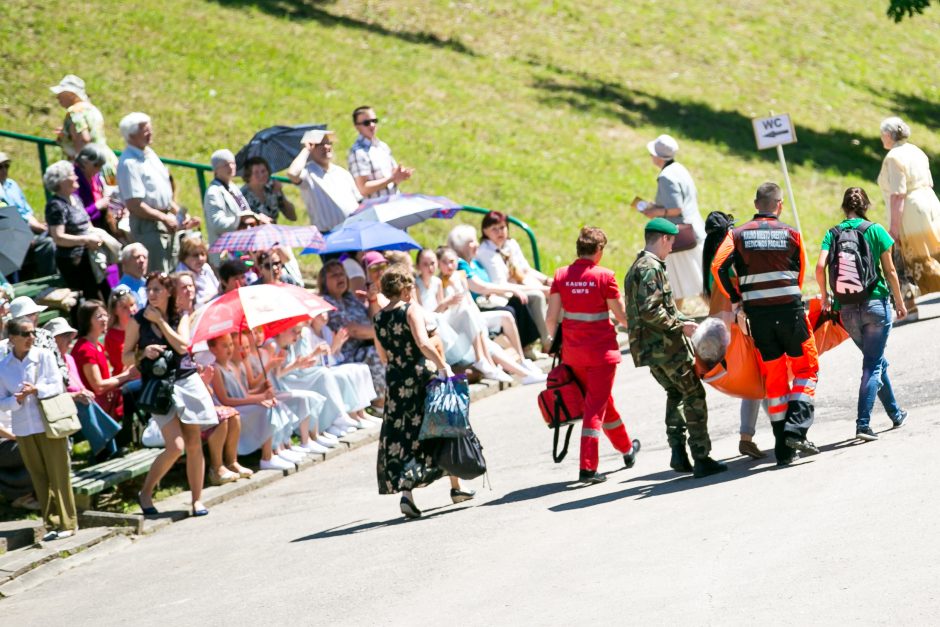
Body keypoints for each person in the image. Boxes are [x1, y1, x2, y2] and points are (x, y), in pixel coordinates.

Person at [713, 183, 820, 465]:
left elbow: (718, 267)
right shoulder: (792, 233)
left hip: (758, 317)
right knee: (806, 369)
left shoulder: (736, 235)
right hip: (790, 312)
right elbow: (800, 274)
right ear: (779, 205)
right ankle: (797, 429)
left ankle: (783, 452)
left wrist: (737, 299)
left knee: (773, 380)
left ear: (756, 203)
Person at [625, 218, 727, 478]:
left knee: (675, 394)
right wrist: (680, 327)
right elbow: (651, 311)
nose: (671, 249)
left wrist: (684, 319)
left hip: (650, 350)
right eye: (671, 243)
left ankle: (678, 453)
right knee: (693, 395)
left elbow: (661, 308)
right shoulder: (650, 268)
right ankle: (701, 457)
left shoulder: (638, 266)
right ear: (662, 239)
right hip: (666, 348)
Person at [373, 267, 474, 519]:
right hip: (420, 376)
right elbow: (423, 342)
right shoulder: (410, 310)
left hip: (396, 382)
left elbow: (383, 356)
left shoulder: (378, 318)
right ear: (405, 288)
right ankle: (456, 486)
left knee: (403, 435)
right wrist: (443, 365)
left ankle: (407, 494)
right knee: (443, 424)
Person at [545, 227, 640, 483]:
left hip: (573, 355)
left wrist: (552, 343)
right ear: (598, 251)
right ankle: (588, 467)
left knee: (603, 403)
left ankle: (627, 449)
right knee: (595, 408)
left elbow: (551, 318)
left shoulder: (561, 275)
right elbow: (622, 317)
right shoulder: (605, 277)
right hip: (601, 355)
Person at [815, 187, 908, 441]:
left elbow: (821, 265)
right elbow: (890, 272)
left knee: (876, 361)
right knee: (872, 364)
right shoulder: (875, 230)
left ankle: (895, 413)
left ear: (844, 207)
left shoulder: (832, 234)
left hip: (846, 310)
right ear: (865, 206)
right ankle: (863, 424)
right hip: (875, 305)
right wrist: (900, 302)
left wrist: (825, 296)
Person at [124, 273, 218, 517]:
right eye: (149, 289)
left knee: (194, 442)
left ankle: (197, 500)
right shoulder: (138, 321)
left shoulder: (180, 315)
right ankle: (145, 492)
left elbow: (183, 346)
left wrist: (162, 323)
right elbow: (124, 356)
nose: (152, 294)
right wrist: (144, 352)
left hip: (186, 380)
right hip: (158, 386)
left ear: (168, 292)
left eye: (157, 289)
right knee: (175, 446)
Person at [0, 317, 78, 541]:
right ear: (12, 338)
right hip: (24, 428)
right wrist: (16, 399)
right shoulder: (4, 367)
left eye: (33, 333)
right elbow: (1, 401)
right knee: (39, 476)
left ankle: (68, 522)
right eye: (25, 334)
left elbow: (56, 384)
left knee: (59, 472)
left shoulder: (43, 356)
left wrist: (36, 390)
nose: (31, 338)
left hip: (48, 422)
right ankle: (51, 523)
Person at [447, 224, 543, 358]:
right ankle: (520, 353)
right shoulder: (460, 263)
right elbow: (480, 287)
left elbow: (488, 284)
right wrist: (512, 289)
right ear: (460, 246)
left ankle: (525, 348)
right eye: (471, 242)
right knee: (510, 310)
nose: (476, 244)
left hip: (486, 302)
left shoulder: (474, 262)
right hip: (473, 309)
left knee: (517, 303)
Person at [878, 116, 940, 319]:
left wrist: (894, 228)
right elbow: (929, 182)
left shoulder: (893, 158)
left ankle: (909, 306)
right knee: (935, 249)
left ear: (888, 135)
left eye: (882, 136)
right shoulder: (917, 151)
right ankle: (909, 305)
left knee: (904, 257)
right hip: (930, 203)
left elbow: (898, 194)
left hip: (910, 211)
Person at [640, 134, 706, 308]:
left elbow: (676, 208)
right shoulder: (679, 168)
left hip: (680, 237)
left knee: (681, 284)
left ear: (658, 157)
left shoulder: (666, 177)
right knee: (690, 284)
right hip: (693, 232)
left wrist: (655, 212)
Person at [476, 211, 552, 349]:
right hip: (502, 294)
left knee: (555, 292)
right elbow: (501, 284)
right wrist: (542, 289)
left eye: (503, 227)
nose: (500, 232)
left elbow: (525, 270)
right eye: (494, 229)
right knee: (538, 295)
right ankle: (547, 341)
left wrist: (547, 281)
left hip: (518, 285)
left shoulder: (510, 245)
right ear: (485, 231)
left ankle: (561, 336)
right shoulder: (485, 252)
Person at [116, 112, 181, 273]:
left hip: (166, 222)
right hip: (148, 227)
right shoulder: (128, 163)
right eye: (144, 129)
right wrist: (163, 217)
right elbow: (135, 205)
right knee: (158, 275)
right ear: (131, 135)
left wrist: (177, 213)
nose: (150, 132)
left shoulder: (150, 155)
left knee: (173, 272)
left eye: (149, 128)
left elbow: (162, 192)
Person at [319, 261, 386, 416]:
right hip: (344, 354)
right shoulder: (327, 302)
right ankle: (379, 403)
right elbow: (352, 330)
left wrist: (373, 300)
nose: (339, 277)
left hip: (364, 345)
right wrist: (384, 333)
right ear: (324, 282)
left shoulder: (350, 298)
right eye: (334, 275)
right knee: (374, 352)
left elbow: (373, 320)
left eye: (341, 273)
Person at [71, 301, 138, 446]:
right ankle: (126, 440)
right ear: (87, 320)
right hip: (97, 408)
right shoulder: (85, 349)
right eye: (98, 316)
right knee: (132, 391)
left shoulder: (97, 345)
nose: (104, 319)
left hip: (108, 400)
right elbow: (98, 386)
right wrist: (127, 375)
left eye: (105, 315)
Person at [41, 160, 109, 301]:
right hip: (74, 261)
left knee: (104, 294)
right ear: (61, 181)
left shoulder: (76, 199)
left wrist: (95, 234)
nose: (77, 177)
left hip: (90, 256)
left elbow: (86, 223)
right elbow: (58, 237)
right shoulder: (56, 205)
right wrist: (86, 240)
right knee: (91, 298)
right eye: (72, 174)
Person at [286, 129, 362, 232]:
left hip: (353, 230)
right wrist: (306, 149)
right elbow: (292, 173)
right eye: (320, 144)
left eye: (328, 143)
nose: (326, 147)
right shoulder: (307, 173)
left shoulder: (342, 172)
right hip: (328, 235)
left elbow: (359, 202)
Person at [204, 149, 271, 265]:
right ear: (216, 169)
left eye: (233, 163)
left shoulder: (232, 187)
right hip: (225, 256)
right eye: (226, 164)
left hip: (241, 251)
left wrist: (255, 219)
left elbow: (245, 211)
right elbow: (217, 224)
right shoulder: (213, 192)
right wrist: (243, 220)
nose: (231, 167)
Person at [50, 75, 119, 183]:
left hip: (92, 168)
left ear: (71, 94)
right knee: (112, 195)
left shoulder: (75, 111)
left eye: (61, 93)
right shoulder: (91, 109)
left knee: (94, 198)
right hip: (107, 162)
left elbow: (84, 139)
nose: (57, 97)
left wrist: (80, 167)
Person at [0, 151, 57, 281]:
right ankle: (48, 282)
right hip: (9, 234)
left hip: (27, 228)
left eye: (6, 166)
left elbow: (26, 210)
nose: (4, 170)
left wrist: (37, 225)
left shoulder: (12, 185)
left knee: (56, 234)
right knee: (47, 243)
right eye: (0, 167)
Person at [347, 106, 413, 199]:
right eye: (367, 123)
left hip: (393, 202)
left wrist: (401, 175)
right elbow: (363, 189)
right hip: (375, 208)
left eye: (374, 121)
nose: (372, 125)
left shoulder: (382, 146)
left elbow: (393, 178)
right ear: (357, 127)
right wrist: (392, 178)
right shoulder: (357, 152)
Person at [73, 143, 119, 237]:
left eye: (101, 165)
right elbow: (76, 215)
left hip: (101, 223)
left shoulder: (95, 176)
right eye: (96, 165)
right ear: (84, 162)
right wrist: (97, 206)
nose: (99, 169)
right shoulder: (74, 181)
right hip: (85, 230)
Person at [240, 156, 297, 223]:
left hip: (273, 231)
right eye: (256, 172)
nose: (261, 175)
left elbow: (292, 217)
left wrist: (280, 193)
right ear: (249, 175)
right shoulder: (242, 195)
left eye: (263, 171)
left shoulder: (272, 188)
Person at [176, 237, 219, 308]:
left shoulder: (206, 267)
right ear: (184, 257)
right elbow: (191, 305)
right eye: (195, 255)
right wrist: (212, 298)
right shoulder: (181, 276)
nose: (200, 258)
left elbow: (217, 288)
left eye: (203, 254)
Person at [116, 243, 149, 307]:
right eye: (137, 257)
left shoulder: (149, 286)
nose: (142, 260)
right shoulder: (121, 291)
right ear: (125, 261)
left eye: (144, 257)